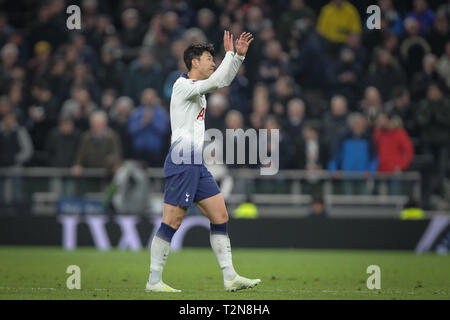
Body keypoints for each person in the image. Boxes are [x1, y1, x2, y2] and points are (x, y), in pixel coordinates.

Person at [146, 31, 260, 293]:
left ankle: (230, 277)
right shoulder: (182, 85)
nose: (213, 63)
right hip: (182, 159)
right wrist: (231, 56)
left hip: (196, 162)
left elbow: (223, 79)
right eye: (209, 58)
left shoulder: (201, 91)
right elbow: (221, 80)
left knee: (220, 214)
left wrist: (238, 56)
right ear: (194, 62)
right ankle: (153, 281)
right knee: (172, 221)